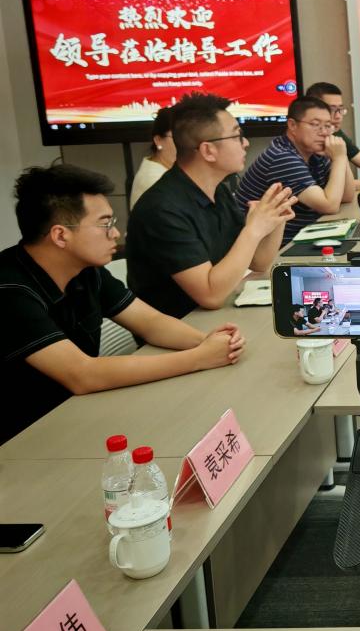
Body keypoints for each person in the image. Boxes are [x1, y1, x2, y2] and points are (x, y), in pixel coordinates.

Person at [0, 165, 245, 445]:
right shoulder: (9, 291)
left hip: (77, 415)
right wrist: (199, 358)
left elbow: (151, 323)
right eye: (105, 224)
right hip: (23, 440)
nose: (116, 233)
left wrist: (211, 342)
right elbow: (81, 374)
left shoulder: (85, 271)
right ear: (60, 235)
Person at [128, 94, 297, 319]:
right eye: (237, 136)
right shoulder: (161, 209)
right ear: (208, 151)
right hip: (183, 327)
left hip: (219, 315)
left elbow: (258, 262)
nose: (246, 143)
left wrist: (275, 218)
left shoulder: (218, 191)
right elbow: (210, 295)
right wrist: (254, 229)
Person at [236, 96, 356, 243]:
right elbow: (329, 205)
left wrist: (341, 157)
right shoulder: (282, 157)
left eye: (328, 125)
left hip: (304, 235)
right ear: (292, 125)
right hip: (275, 247)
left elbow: (347, 196)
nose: (324, 132)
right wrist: (339, 158)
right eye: (315, 124)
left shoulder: (315, 152)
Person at [128, 106, 175, 208]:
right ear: (158, 140)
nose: (185, 143)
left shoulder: (169, 170)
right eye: (177, 137)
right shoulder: (154, 180)